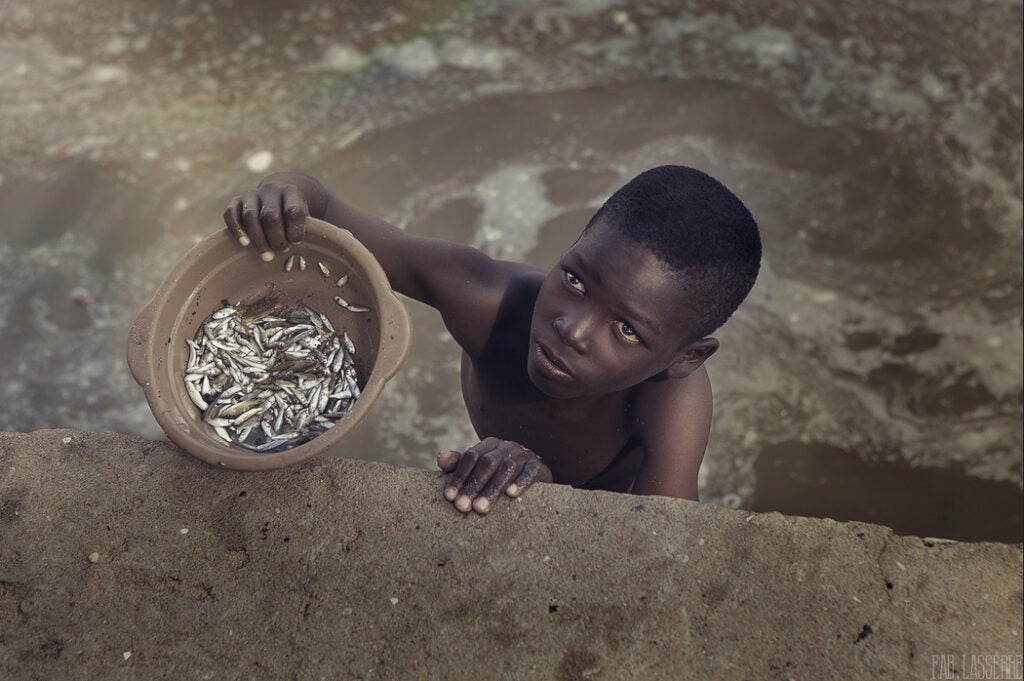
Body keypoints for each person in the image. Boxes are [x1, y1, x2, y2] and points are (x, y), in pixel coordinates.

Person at [223, 165, 761, 514]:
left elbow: (665, 549)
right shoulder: (488, 300)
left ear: (685, 358)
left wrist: (544, 490)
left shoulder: (670, 400)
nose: (570, 329)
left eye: (625, 330)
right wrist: (280, 193)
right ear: (571, 245)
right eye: (574, 279)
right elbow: (321, 205)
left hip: (607, 504)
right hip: (515, 461)